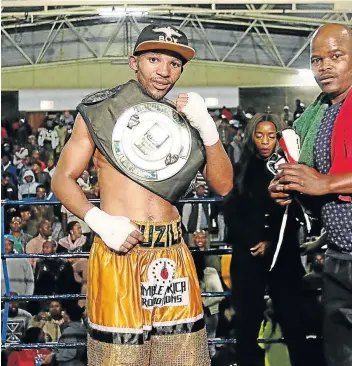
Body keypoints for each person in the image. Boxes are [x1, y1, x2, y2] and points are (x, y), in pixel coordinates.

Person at [52, 23, 233, 365]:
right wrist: (98, 220)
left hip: (172, 250)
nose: (164, 72)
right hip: (120, 248)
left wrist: (207, 129)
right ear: (133, 62)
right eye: (154, 59)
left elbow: (223, 185)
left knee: (181, 358)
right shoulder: (100, 112)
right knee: (120, 358)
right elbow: (62, 178)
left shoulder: (185, 119)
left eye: (174, 64)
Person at [269, 23, 352, 366]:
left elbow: (322, 180)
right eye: (317, 60)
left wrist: (326, 184)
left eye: (336, 56)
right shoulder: (318, 113)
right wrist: (288, 186)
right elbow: (304, 169)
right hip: (339, 257)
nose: (325, 66)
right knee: (339, 355)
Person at [224, 113, 311, 366]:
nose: (265, 141)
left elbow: (295, 211)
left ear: (278, 138)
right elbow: (231, 211)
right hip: (248, 256)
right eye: (259, 135)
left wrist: (270, 241)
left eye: (271, 136)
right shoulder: (240, 169)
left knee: (294, 324)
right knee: (247, 327)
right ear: (252, 137)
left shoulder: (290, 167)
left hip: (283, 255)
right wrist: (254, 239)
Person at [193, 253, 224, 360]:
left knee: (210, 342)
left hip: (209, 313)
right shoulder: (188, 274)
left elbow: (220, 295)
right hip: (194, 315)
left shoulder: (211, 272)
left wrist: (203, 303)